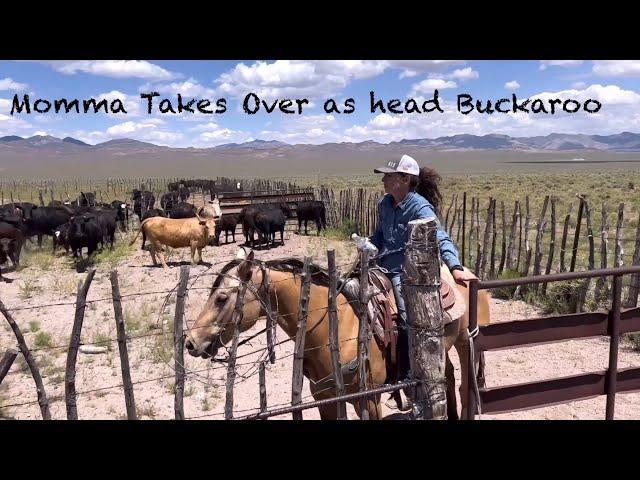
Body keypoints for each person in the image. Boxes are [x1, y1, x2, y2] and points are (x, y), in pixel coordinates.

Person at [366, 154, 476, 411]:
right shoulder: (385, 203)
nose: (383, 179)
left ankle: (411, 375)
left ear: (405, 179)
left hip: (408, 271)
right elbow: (381, 236)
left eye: (389, 176)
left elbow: (441, 238)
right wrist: (369, 244)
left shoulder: (420, 207)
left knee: (408, 315)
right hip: (381, 266)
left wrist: (455, 267)